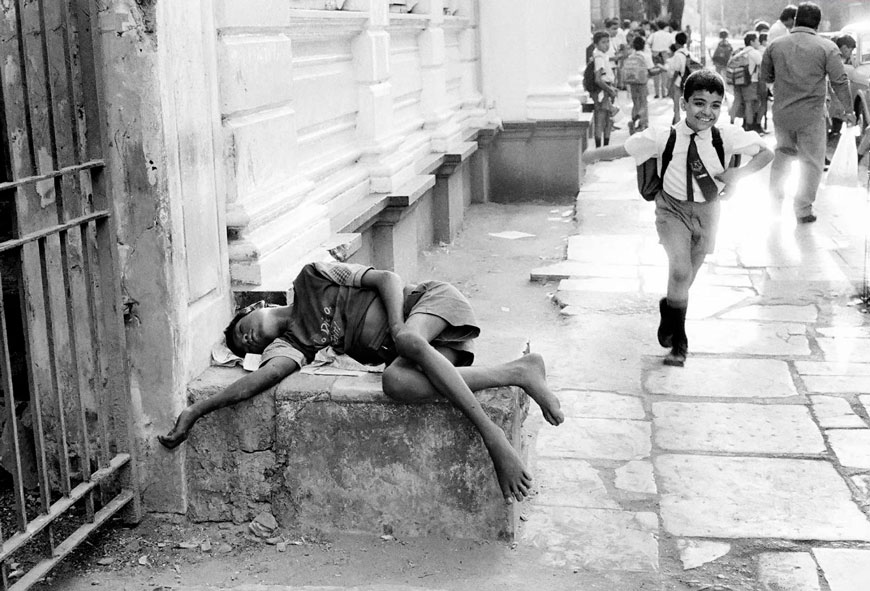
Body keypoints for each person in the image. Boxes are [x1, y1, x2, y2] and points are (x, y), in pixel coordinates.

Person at [159, 262, 565, 503]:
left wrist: (398, 326)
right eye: (242, 343)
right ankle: (518, 371)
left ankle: (492, 437)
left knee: (406, 342)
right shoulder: (297, 344)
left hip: (429, 307)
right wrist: (195, 412)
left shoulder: (311, 278)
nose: (244, 337)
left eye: (242, 327)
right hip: (430, 354)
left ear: (257, 307)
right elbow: (253, 384)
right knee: (395, 383)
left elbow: (387, 278)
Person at [581, 70, 773, 366]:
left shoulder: (727, 137)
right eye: (698, 103)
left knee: (687, 276)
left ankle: (669, 310)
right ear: (683, 104)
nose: (706, 112)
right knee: (680, 271)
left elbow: (766, 153)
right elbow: (623, 149)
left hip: (709, 212)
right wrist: (586, 157)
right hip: (672, 210)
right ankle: (679, 343)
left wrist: (740, 174)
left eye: (714, 105)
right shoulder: (663, 136)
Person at [760, 1, 855, 224]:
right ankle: (803, 209)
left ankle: (775, 203)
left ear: (795, 20)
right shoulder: (827, 48)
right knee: (811, 162)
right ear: (818, 23)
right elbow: (840, 81)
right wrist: (848, 109)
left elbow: (767, 76)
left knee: (782, 156)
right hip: (811, 116)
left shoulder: (776, 45)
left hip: (782, 113)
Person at [728, 32, 764, 133]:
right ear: (752, 42)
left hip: (738, 80)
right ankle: (749, 126)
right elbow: (762, 66)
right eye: (756, 40)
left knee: (737, 100)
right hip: (750, 81)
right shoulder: (754, 53)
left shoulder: (740, 52)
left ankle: (731, 122)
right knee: (749, 104)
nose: (758, 42)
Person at [625, 35, 662, 133]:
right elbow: (651, 71)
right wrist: (660, 69)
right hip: (642, 83)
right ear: (643, 45)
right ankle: (642, 124)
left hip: (632, 83)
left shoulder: (631, 56)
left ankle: (633, 122)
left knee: (635, 103)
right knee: (643, 103)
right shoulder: (645, 56)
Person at [591, 30, 619, 147]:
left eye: (608, 42)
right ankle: (599, 149)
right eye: (603, 42)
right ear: (596, 44)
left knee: (608, 121)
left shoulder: (603, 55)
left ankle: (605, 149)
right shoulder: (598, 57)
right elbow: (598, 79)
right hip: (603, 91)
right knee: (601, 120)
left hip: (607, 89)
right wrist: (610, 90)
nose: (606, 45)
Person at [827, 34, 856, 141]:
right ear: (844, 47)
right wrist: (849, 111)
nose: (850, 54)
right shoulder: (835, 57)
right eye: (850, 50)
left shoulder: (830, 52)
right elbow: (838, 82)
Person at [669, 32, 691, 125]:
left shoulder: (677, 55)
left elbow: (676, 71)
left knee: (677, 105)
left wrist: (671, 84)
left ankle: (676, 123)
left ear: (676, 42)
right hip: (688, 80)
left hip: (678, 81)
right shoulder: (688, 53)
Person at [649, 20, 674, 98]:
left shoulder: (654, 34)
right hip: (665, 54)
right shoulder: (669, 35)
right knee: (665, 73)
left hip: (655, 54)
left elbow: (648, 42)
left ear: (657, 26)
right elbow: (672, 44)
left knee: (656, 73)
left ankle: (657, 93)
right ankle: (664, 93)